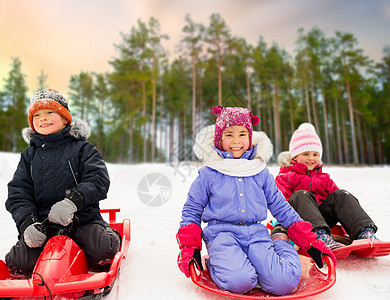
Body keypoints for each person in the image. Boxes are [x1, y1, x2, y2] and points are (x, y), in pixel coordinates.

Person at [176, 106, 336, 296]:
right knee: (240, 282)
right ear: (219, 139)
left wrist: (309, 241)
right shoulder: (209, 174)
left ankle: (280, 242)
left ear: (250, 138)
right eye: (229, 134)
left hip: (256, 235)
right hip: (222, 236)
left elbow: (280, 206)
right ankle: (217, 263)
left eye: (242, 134)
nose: (236, 141)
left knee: (283, 284)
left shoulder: (259, 172)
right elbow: (192, 210)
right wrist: (190, 246)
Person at [5, 88, 120, 277]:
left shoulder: (83, 149)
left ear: (65, 118)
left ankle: (110, 234)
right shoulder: (29, 157)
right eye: (37, 115)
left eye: (50, 112)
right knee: (18, 264)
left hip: (82, 220)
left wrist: (72, 202)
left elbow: (97, 179)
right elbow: (18, 194)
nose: (43, 118)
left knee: (102, 252)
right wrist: (27, 223)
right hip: (44, 225)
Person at [275, 123, 378, 251]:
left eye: (315, 154)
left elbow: (339, 204)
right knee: (301, 195)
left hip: (323, 221)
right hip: (299, 223)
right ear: (295, 156)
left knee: (341, 195)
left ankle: (364, 232)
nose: (311, 158)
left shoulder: (324, 178)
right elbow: (279, 203)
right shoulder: (286, 177)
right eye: (306, 154)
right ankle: (318, 237)